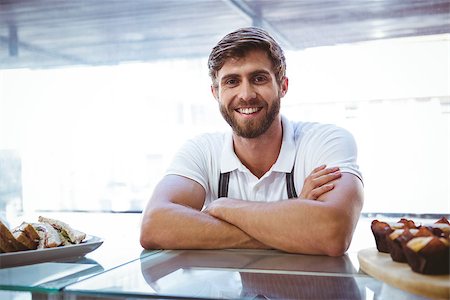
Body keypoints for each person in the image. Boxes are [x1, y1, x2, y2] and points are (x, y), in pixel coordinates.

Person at [140, 27, 364, 256]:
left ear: (283, 86)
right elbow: (153, 226)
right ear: (215, 93)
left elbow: (332, 234)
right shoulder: (201, 151)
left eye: (258, 78)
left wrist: (222, 207)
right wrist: (294, 223)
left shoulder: (325, 141)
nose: (246, 94)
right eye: (231, 81)